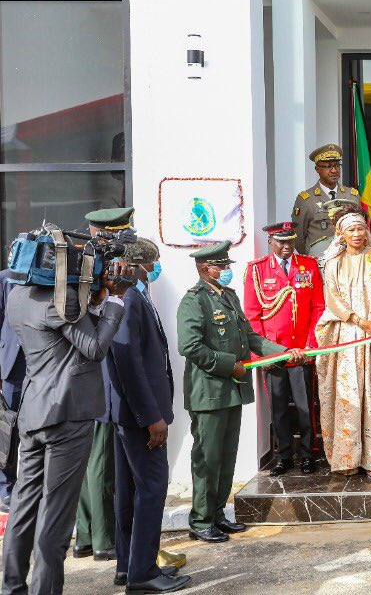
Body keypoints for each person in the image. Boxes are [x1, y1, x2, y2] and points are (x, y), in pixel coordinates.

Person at [1, 219, 133, 595]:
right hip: (68, 416)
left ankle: (12, 587)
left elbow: (73, 331)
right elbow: (93, 347)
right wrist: (116, 300)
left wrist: (90, 296)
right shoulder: (62, 301)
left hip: (33, 414)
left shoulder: (18, 296)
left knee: (24, 507)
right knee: (56, 518)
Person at [177, 240, 302, 544]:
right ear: (205, 269)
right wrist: (230, 365)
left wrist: (284, 351)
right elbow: (189, 346)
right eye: (220, 267)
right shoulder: (194, 301)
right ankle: (201, 519)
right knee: (207, 458)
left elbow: (251, 337)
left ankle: (218, 514)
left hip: (231, 391)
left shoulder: (229, 297)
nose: (225, 271)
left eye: (226, 266)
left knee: (226, 456)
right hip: (209, 392)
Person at [106, 239, 191, 593]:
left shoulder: (136, 296)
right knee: (152, 488)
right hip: (140, 415)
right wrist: (151, 416)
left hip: (131, 414)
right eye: (153, 262)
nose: (156, 268)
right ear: (139, 265)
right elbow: (128, 362)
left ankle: (129, 565)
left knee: (130, 491)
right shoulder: (130, 299)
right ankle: (142, 574)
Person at [76, 209, 142, 563]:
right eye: (118, 235)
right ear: (101, 235)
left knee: (89, 461)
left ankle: (86, 535)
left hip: (89, 373)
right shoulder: (97, 268)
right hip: (101, 372)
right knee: (101, 461)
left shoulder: (86, 262)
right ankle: (103, 538)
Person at [314, 211, 371, 476]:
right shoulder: (333, 262)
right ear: (341, 234)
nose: (357, 235)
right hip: (346, 335)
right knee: (347, 395)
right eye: (351, 231)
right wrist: (358, 320)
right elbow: (332, 297)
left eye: (360, 229)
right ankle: (346, 459)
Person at [243, 221, 324, 477]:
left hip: (301, 350)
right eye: (281, 242)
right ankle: (283, 455)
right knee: (278, 407)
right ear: (271, 242)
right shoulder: (257, 271)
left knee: (305, 406)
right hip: (273, 353)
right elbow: (252, 316)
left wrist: (311, 343)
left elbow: (318, 308)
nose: (287, 246)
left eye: (290, 241)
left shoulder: (308, 266)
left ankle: (309, 453)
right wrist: (262, 353)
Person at [292, 143, 361, 255]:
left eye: (337, 165)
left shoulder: (352, 195)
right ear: (317, 169)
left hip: (348, 258)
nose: (334, 170)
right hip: (320, 260)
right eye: (328, 166)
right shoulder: (306, 199)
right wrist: (313, 256)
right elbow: (298, 237)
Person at [0, 268, 25, 514]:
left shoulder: (53, 274)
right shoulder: (6, 278)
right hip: (11, 365)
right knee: (8, 429)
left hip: (42, 367)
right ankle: (5, 488)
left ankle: (29, 488)